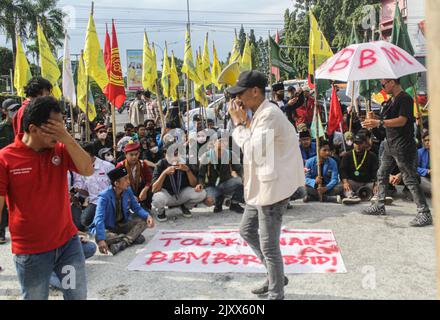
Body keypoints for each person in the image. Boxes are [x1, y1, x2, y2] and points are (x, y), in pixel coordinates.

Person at [0, 96, 94, 300]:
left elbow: (87, 169)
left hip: (67, 244)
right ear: (33, 129)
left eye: (63, 125)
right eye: (55, 126)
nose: (61, 131)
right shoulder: (5, 159)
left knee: (77, 295)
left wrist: (67, 138)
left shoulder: (60, 148)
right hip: (31, 252)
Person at [228, 70, 305, 300]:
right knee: (246, 230)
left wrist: (238, 125)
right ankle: (276, 277)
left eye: (240, 93)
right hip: (261, 186)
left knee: (269, 246)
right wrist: (244, 122)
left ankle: (276, 293)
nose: (237, 100)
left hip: (273, 188)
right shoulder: (259, 113)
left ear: (255, 91)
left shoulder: (269, 114)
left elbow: (252, 149)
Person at [362, 78, 432, 227]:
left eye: (383, 84)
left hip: (403, 144)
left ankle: (424, 213)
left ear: (392, 82)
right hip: (390, 142)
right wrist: (375, 119)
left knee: (409, 178)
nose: (382, 87)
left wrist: (379, 122)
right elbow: (387, 122)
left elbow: (402, 120)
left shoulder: (405, 99)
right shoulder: (391, 100)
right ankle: (380, 205)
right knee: (382, 173)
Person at [90, 167, 155, 256]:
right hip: (107, 228)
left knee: (143, 221)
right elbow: (99, 219)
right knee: (99, 236)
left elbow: (136, 207)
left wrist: (148, 216)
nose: (128, 181)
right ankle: (130, 238)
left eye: (128, 178)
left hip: (121, 225)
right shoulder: (104, 197)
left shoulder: (127, 190)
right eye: (125, 179)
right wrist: (101, 240)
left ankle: (120, 244)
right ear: (116, 183)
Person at [151, 142, 206, 222]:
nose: (173, 157)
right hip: (167, 195)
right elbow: (154, 189)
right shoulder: (161, 164)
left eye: (176, 154)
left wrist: (188, 170)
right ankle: (161, 211)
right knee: (158, 198)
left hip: (181, 194)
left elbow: (194, 184)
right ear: (165, 154)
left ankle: (185, 207)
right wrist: (164, 173)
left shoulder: (184, 162)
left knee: (201, 193)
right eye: (170, 154)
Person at [73, 143, 115, 229]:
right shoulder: (82, 170)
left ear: (90, 154)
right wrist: (78, 190)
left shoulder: (107, 166)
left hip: (109, 201)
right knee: (84, 220)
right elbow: (86, 192)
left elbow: (117, 185)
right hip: (95, 203)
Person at [198, 139, 244, 214]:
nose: (221, 142)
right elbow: (201, 175)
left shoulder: (230, 154)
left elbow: (239, 169)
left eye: (223, 141)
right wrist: (201, 185)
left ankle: (234, 203)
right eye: (219, 140)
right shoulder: (206, 156)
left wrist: (244, 178)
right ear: (214, 144)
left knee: (240, 181)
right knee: (208, 202)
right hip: (211, 185)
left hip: (226, 183)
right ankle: (219, 201)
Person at [339, 131, 378, 205]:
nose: (357, 145)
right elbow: (342, 170)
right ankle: (351, 196)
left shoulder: (372, 156)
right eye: (355, 143)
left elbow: (376, 171)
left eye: (360, 143)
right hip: (353, 182)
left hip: (367, 182)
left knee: (380, 184)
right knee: (343, 185)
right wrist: (345, 182)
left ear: (365, 143)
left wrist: (376, 183)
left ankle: (377, 196)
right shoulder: (347, 155)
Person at [117, 141, 153, 209]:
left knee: (149, 191)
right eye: (131, 155)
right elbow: (118, 184)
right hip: (126, 190)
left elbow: (149, 179)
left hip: (140, 189)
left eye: (136, 154)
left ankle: (145, 206)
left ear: (139, 154)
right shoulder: (120, 166)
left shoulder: (142, 164)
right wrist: (130, 195)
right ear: (126, 154)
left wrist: (145, 190)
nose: (134, 157)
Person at [417, 131, 431, 197]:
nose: (427, 142)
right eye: (425, 140)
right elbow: (414, 168)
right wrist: (427, 171)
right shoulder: (420, 152)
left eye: (430, 140)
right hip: (424, 178)